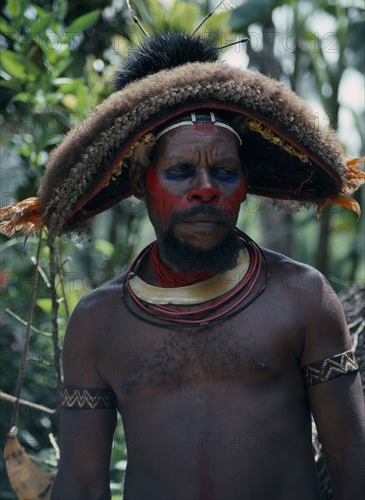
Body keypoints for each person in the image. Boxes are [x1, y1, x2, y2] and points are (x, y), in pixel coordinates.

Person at [1, 32, 364, 500]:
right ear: (139, 181)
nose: (206, 189)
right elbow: (82, 482)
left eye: (225, 172)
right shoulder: (98, 323)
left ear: (244, 183)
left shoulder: (302, 296)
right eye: (180, 172)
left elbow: (350, 453)